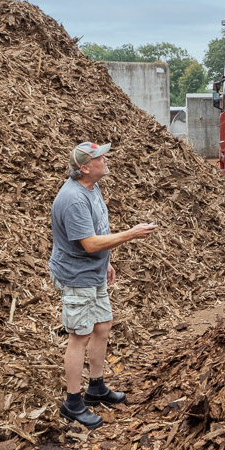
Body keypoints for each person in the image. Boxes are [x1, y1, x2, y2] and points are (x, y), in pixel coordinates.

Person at [49, 142, 157, 428]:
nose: (106, 160)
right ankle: (72, 403)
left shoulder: (91, 187)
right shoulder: (73, 199)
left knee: (102, 325)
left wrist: (106, 261)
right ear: (85, 167)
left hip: (93, 270)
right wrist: (132, 234)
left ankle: (95, 388)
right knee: (79, 336)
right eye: (100, 158)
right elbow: (89, 243)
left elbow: (96, 233)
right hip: (76, 275)